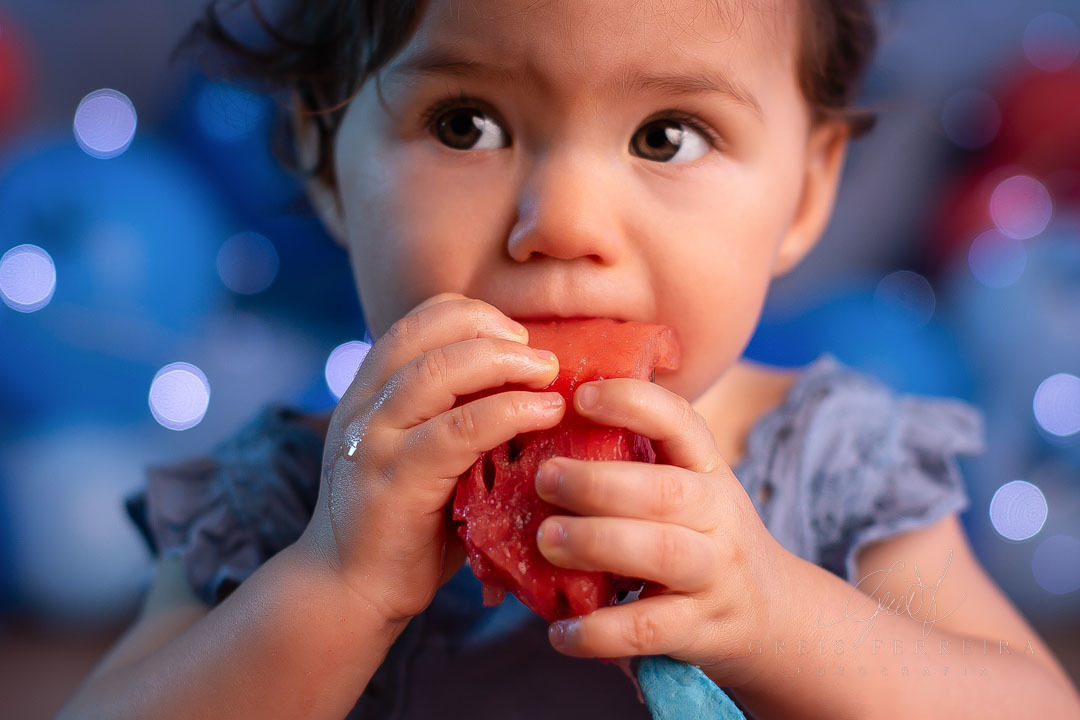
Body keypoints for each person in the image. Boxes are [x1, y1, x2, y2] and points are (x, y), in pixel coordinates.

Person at [58, 1, 1080, 718]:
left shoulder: (839, 469)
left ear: (805, 193)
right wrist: (336, 586)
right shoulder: (288, 500)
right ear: (327, 159)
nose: (564, 224)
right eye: (465, 124)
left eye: (668, 136)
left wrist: (777, 617)